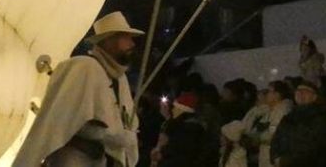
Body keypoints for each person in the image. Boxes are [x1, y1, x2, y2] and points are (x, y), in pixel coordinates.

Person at [13, 11, 143, 167]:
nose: (132, 44)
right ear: (109, 40)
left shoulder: (120, 79)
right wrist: (107, 134)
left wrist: (122, 137)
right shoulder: (83, 67)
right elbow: (62, 118)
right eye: (126, 37)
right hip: (73, 160)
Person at [269, 79, 326, 167]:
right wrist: (275, 157)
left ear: (314, 97)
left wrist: (286, 161)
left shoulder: (320, 117)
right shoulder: (289, 117)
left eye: (305, 92)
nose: (300, 94)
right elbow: (276, 138)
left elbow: (313, 147)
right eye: (298, 91)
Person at [239, 80, 294, 167]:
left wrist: (257, 138)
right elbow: (259, 127)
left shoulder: (281, 112)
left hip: (273, 154)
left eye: (269, 91)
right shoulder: (269, 110)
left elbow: (273, 133)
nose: (266, 94)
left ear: (277, 95)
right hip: (265, 153)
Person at [153, 92, 216, 166]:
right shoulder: (184, 125)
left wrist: (162, 155)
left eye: (175, 108)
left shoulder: (191, 129)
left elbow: (181, 153)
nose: (172, 110)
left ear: (182, 110)